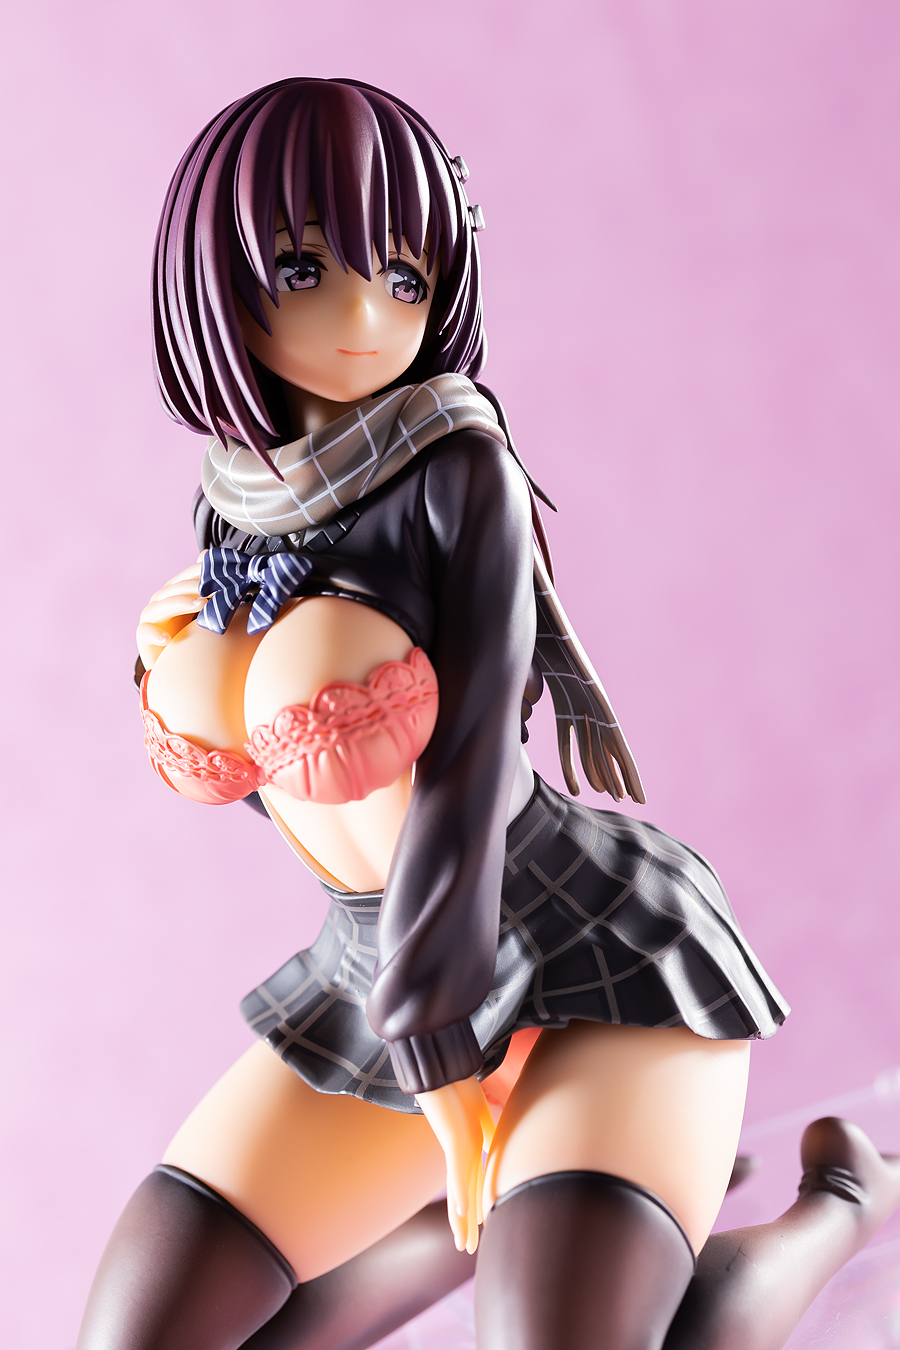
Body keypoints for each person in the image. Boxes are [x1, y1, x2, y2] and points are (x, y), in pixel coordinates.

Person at [76, 78, 900, 1350]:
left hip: (583, 954)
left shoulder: (459, 469)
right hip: (372, 963)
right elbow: (300, 786)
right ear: (216, 277)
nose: (366, 318)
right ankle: (495, 1219)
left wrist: (449, 1066)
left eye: (405, 277)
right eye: (305, 269)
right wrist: (172, 670)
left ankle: (838, 1205)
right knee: (145, 1330)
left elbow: (458, 778)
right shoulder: (236, 496)